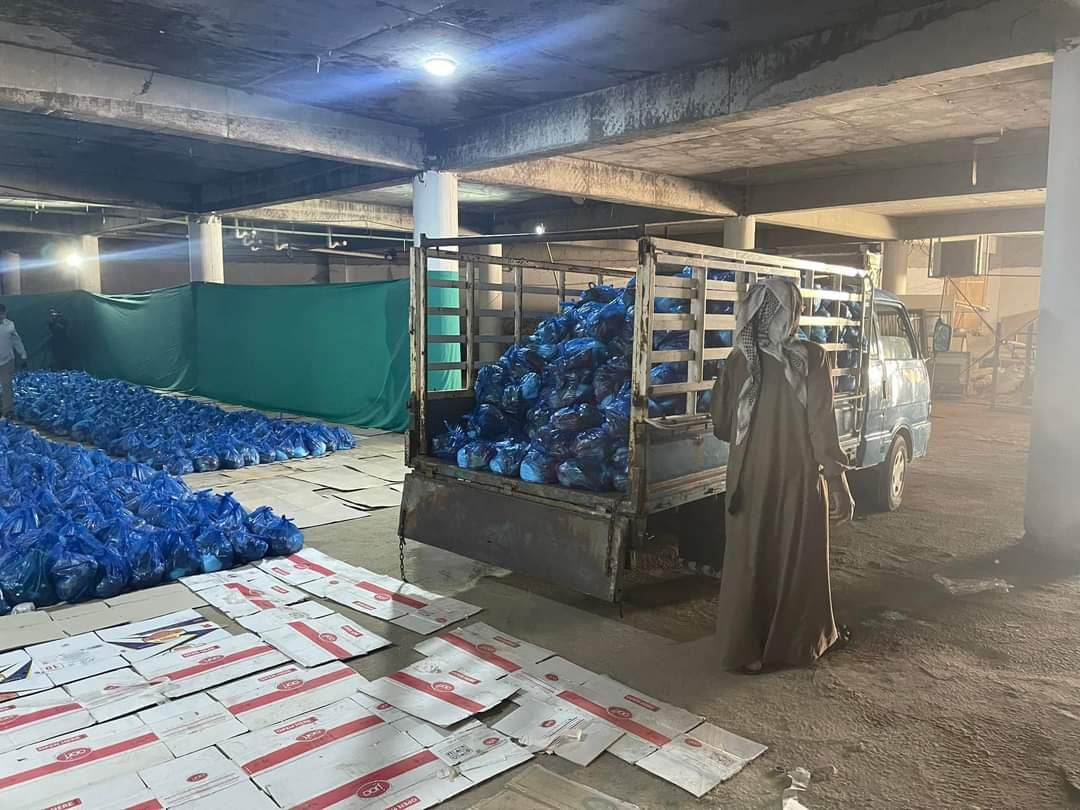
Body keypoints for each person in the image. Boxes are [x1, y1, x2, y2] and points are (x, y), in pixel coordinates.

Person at [710, 276, 854, 672]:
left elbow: (722, 425)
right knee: (795, 560)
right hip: (798, 480)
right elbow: (821, 427)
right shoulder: (810, 358)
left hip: (748, 481)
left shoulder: (738, 361)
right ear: (792, 314)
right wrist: (838, 481)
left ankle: (744, 650)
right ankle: (792, 647)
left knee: (750, 561)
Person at [0, 304, 27, 419]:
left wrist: (23, 354)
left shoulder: (10, 325)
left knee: (7, 385)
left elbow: (16, 340)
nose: (1, 315)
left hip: (7, 360)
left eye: (2, 313)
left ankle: (7, 411)